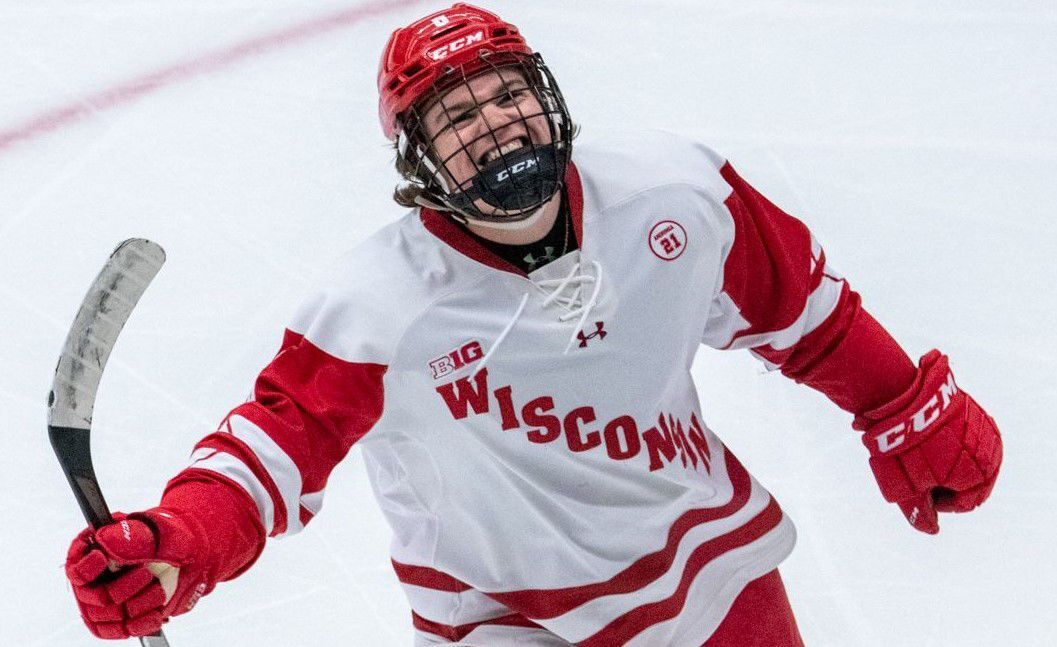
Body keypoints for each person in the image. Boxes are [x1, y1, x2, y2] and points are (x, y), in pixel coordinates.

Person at [63, 4, 1003, 645]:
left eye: (507, 94)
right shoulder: (379, 305)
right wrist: (184, 537)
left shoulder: (673, 192)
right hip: (501, 614)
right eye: (459, 116)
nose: (497, 125)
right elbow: (276, 444)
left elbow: (803, 313)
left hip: (703, 562)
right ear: (418, 162)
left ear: (548, 98)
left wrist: (900, 400)